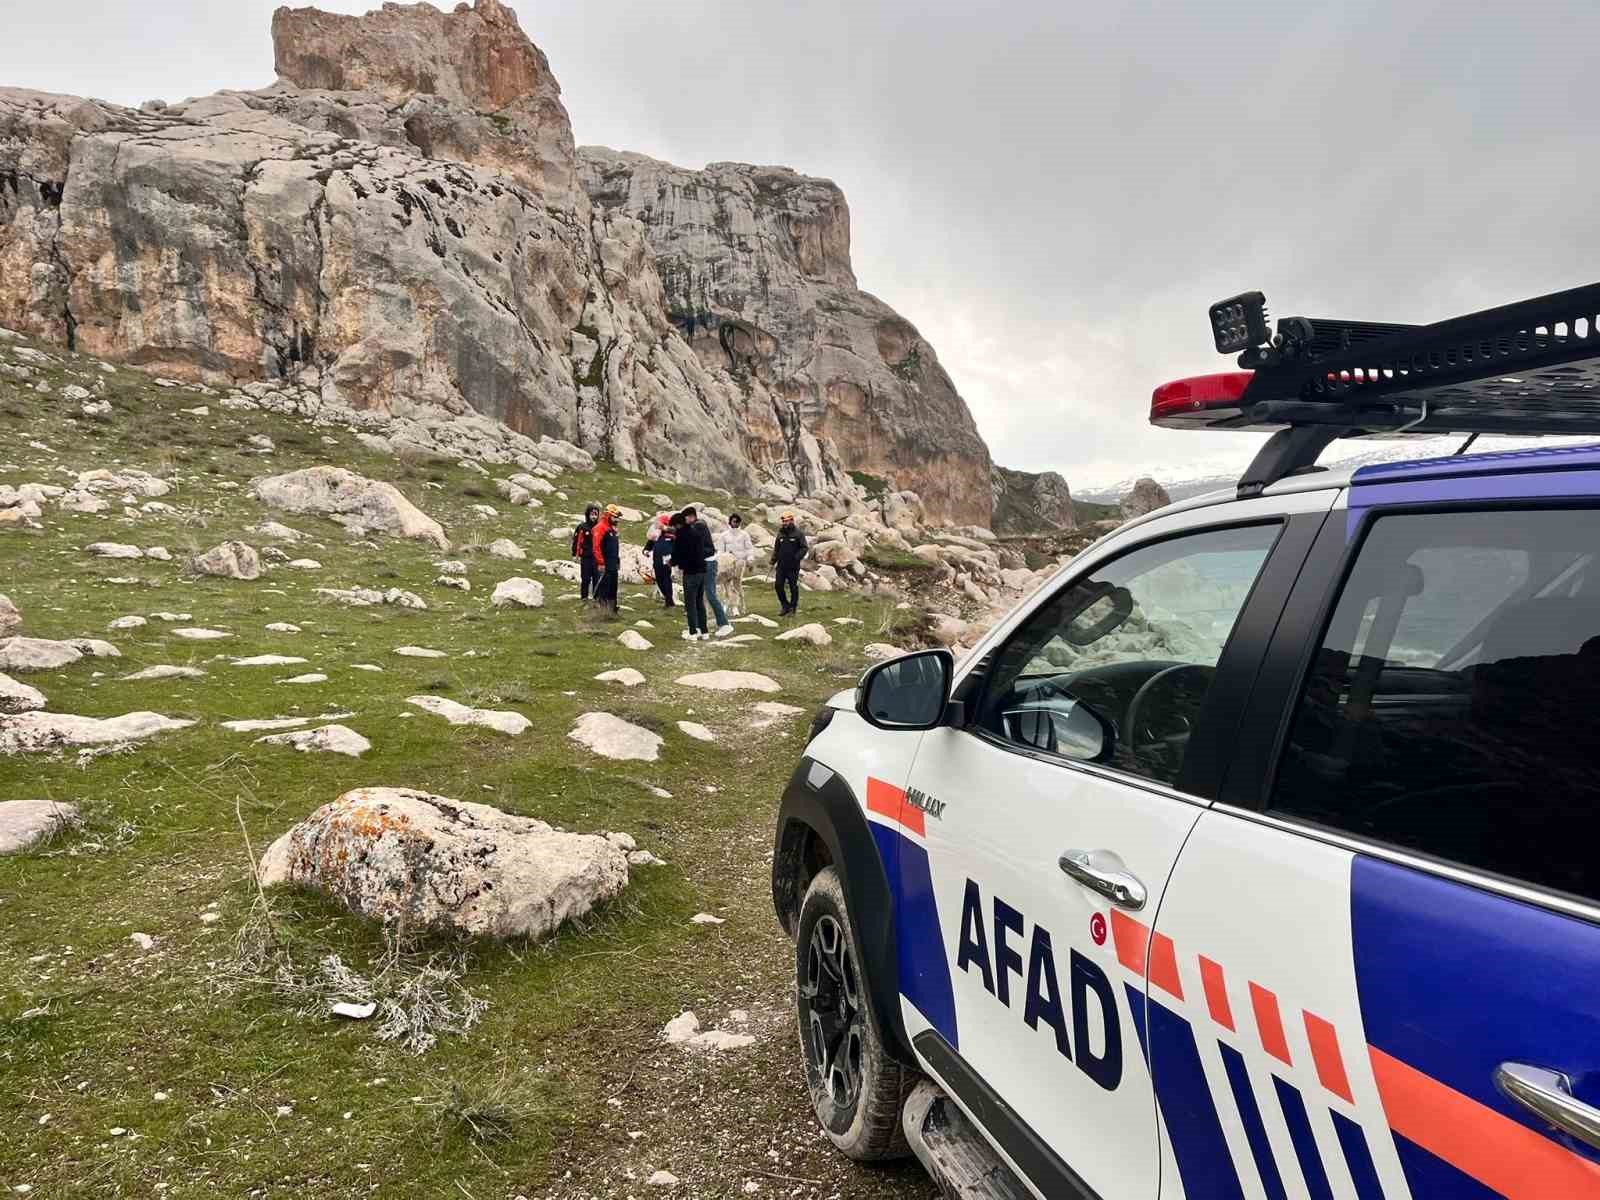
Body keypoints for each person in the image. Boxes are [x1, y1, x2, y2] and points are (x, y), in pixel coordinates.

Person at [670, 506, 711, 640]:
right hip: (702, 571)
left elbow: (677, 555)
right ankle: (704, 631)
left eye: (674, 526)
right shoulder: (695, 532)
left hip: (690, 572)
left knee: (690, 603)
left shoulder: (681, 536)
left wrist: (671, 562)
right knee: (699, 602)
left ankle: (692, 632)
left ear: (678, 524)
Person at [695, 512, 734, 637]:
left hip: (708, 566)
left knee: (710, 595)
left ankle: (724, 624)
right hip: (705, 566)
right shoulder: (702, 537)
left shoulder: (703, 539)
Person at [772, 510, 808, 616]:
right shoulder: (780, 534)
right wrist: (772, 561)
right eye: (783, 521)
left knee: (793, 587)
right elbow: (776, 549)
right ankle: (785, 606)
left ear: (792, 521)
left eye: (787, 521)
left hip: (793, 566)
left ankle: (793, 608)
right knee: (778, 585)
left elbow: (804, 548)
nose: (785, 523)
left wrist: (796, 558)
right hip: (781, 566)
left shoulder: (798, 534)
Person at [592, 504, 622, 616]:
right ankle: (602, 611)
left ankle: (612, 610)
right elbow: (596, 546)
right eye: (615, 517)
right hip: (605, 563)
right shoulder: (601, 527)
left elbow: (614, 546)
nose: (617, 520)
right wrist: (600, 562)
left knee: (613, 587)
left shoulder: (612, 529)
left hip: (613, 563)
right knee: (604, 587)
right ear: (609, 515)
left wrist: (617, 560)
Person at [646, 512, 676, 607]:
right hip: (657, 560)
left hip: (667, 560)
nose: (658, 525)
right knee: (659, 579)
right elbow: (649, 544)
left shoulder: (671, 535)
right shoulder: (656, 534)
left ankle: (669, 600)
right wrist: (646, 551)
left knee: (666, 579)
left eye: (660, 523)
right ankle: (667, 598)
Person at [572, 503, 600, 601]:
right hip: (586, 557)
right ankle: (584, 598)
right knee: (586, 579)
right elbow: (577, 541)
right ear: (588, 514)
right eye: (592, 514)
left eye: (596, 514)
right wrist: (575, 554)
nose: (594, 516)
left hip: (597, 559)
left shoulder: (600, 527)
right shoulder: (582, 527)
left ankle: (596, 598)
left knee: (597, 579)